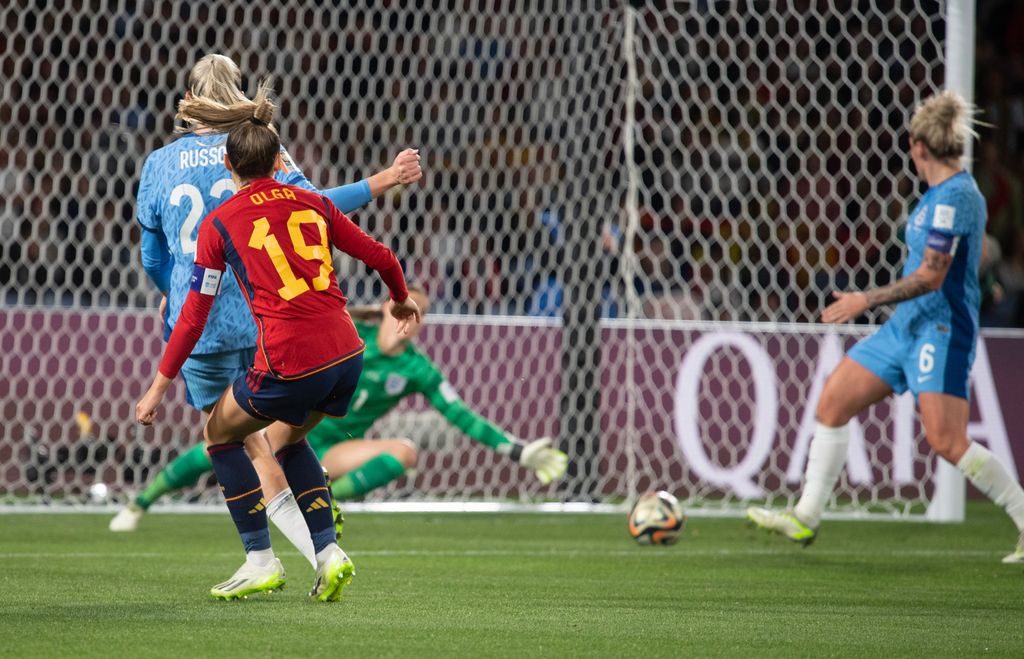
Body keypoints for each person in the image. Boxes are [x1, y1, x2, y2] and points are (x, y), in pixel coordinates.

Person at [111, 53, 422, 567]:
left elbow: (152, 257)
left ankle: (278, 554)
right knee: (269, 438)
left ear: (188, 99)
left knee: (230, 437)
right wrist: (384, 179)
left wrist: (173, 288)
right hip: (266, 316)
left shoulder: (160, 163)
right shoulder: (263, 142)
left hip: (203, 322)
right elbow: (321, 205)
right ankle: (319, 541)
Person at [747, 91, 1024, 564]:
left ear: (918, 146)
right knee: (833, 401)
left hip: (940, 329)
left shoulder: (954, 196)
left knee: (946, 440)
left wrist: (864, 299)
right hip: (904, 328)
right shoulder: (942, 196)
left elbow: (932, 275)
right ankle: (807, 516)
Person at [298, 285, 568, 498]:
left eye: (421, 311)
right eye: (403, 304)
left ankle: (329, 500)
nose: (412, 314)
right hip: (292, 430)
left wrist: (517, 451)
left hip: (331, 451)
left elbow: (462, 416)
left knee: (403, 453)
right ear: (386, 307)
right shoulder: (349, 332)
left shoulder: (418, 370)